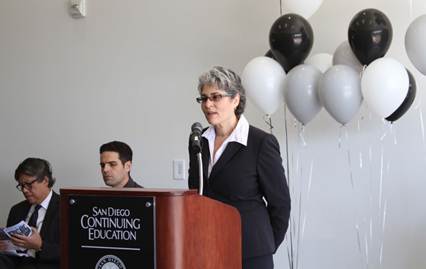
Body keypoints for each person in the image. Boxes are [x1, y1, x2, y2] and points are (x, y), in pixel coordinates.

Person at [188, 66, 291, 269]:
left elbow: (281, 204)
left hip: (250, 253)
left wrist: (265, 244)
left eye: (216, 97)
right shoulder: (198, 141)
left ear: (235, 100)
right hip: (208, 249)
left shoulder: (260, 142)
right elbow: (196, 194)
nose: (208, 104)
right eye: (204, 98)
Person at [0, 158, 60, 269]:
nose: (24, 190)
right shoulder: (16, 210)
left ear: (45, 181)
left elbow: (73, 252)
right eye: (21, 186)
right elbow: (9, 255)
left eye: (28, 184)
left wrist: (40, 246)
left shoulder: (64, 209)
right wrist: (5, 247)